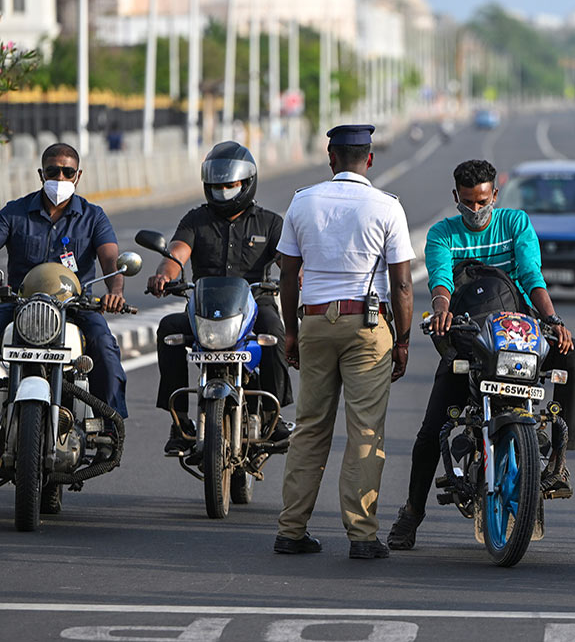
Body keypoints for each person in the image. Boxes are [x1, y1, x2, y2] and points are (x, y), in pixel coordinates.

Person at [385, 159, 575, 551]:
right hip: (469, 338)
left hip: (520, 335)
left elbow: (532, 276)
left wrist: (553, 320)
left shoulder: (515, 223)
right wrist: (442, 311)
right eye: (467, 203)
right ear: (455, 198)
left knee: (572, 354)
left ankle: (559, 459)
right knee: (431, 431)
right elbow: (440, 281)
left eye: (482, 201)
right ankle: (411, 513)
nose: (475, 210)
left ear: (495, 195)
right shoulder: (443, 234)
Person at [273, 124, 415, 559]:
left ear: (330, 157)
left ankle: (291, 530)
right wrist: (403, 341)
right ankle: (362, 536)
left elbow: (287, 274)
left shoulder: (302, 201)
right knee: (365, 431)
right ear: (369, 159)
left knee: (310, 427)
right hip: (366, 327)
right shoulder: (387, 207)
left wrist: (291, 332)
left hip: (315, 322)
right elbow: (402, 284)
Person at [148, 141, 293, 455]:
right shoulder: (195, 221)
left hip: (254, 305)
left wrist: (298, 276)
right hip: (206, 309)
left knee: (274, 328)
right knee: (168, 329)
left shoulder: (270, 223)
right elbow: (176, 255)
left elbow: (287, 261)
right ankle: (180, 421)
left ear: (247, 183)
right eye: (217, 186)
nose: (223, 192)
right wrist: (163, 275)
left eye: (230, 186)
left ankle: (274, 414)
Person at [0, 143, 128, 419]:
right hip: (20, 305)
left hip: (76, 307)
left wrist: (115, 292)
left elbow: (111, 261)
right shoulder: (13, 213)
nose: (60, 178)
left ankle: (109, 424)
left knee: (104, 346)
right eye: (52, 171)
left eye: (67, 172)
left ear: (78, 176)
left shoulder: (93, 217)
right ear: (41, 174)